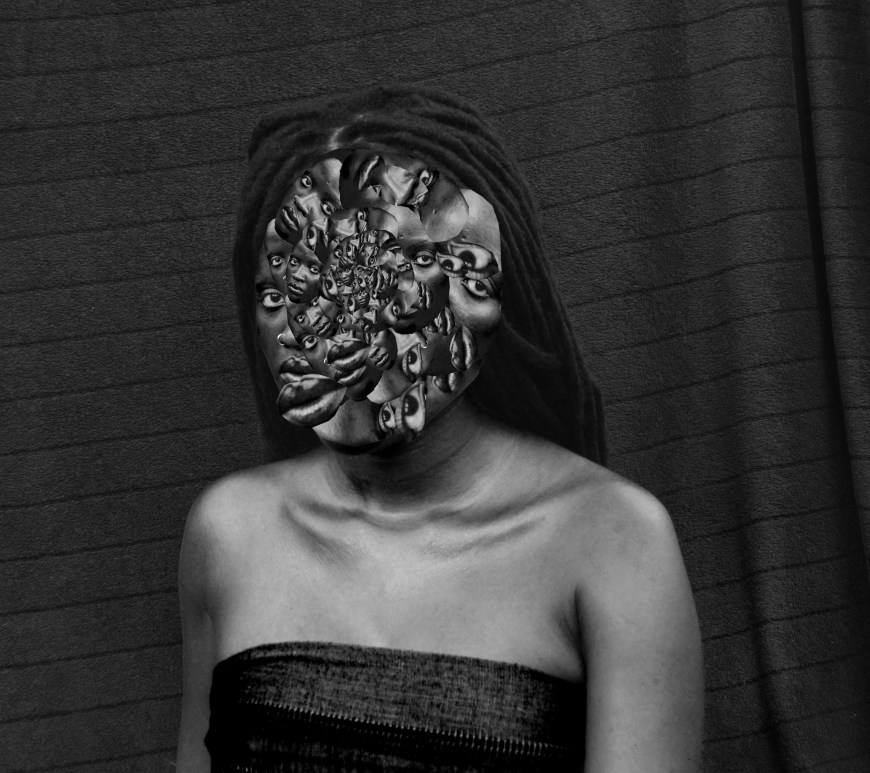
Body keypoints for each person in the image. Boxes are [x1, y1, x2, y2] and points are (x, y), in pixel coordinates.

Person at [176, 85, 703, 772]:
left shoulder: (612, 541)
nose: (345, 315)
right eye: (294, 282)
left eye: (401, 262)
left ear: (488, 286)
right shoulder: (231, 532)